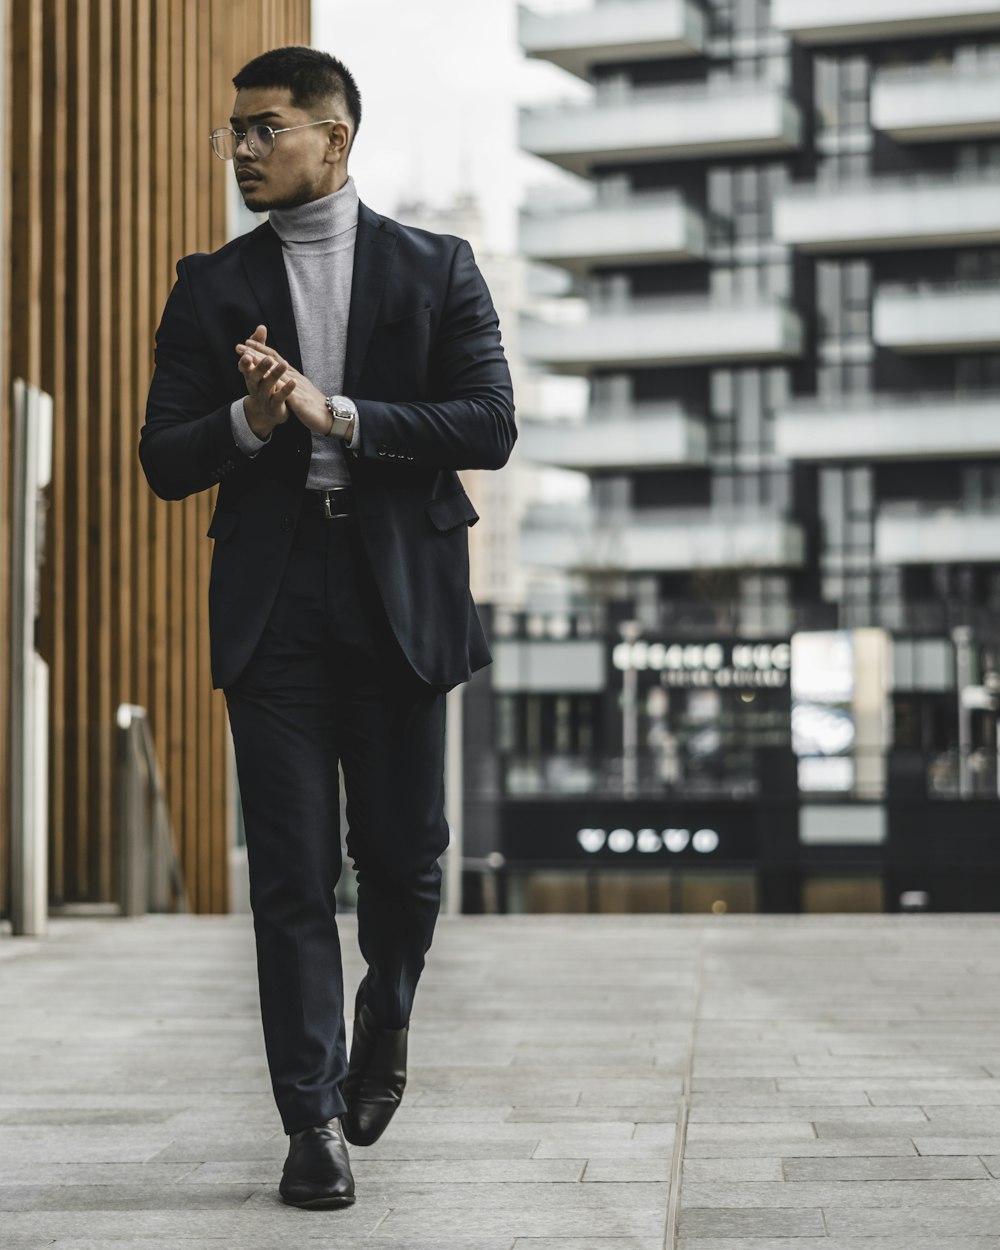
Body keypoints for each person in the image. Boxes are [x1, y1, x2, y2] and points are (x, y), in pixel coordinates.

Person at [138, 45, 515, 1210]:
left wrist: (335, 411)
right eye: (234, 133)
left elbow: (489, 423)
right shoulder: (210, 285)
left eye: (265, 129)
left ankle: (386, 1006)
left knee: (402, 862)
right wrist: (252, 423)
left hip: (399, 589)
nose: (243, 149)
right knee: (292, 873)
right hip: (277, 598)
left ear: (334, 138)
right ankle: (309, 1120)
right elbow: (163, 458)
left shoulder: (435, 266)